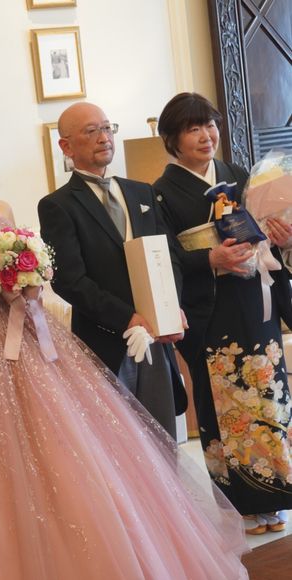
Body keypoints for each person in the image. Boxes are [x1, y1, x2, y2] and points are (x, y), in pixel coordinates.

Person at [0, 110, 248, 580]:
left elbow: (146, 259)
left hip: (31, 328)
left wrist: (30, 283)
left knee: (82, 443)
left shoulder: (2, 206)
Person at [153, 92, 292, 534]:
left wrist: (280, 236)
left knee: (269, 395)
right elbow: (165, 257)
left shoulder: (239, 175)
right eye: (192, 128)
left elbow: (266, 234)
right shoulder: (160, 194)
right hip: (212, 310)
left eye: (209, 125)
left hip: (255, 299)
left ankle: (278, 494)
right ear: (172, 139)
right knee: (225, 403)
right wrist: (209, 260)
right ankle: (241, 505)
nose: (205, 135)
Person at [38, 102, 186, 439]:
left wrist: (171, 307)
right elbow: (69, 280)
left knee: (164, 439)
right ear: (66, 146)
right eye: (91, 131)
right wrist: (127, 318)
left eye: (107, 128)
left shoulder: (142, 192)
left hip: (157, 336)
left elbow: (169, 256)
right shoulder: (58, 205)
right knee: (120, 443)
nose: (104, 137)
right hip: (105, 341)